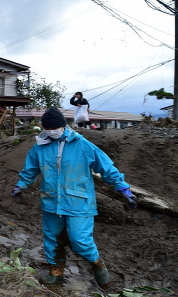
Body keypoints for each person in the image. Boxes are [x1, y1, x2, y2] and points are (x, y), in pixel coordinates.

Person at [11, 107, 137, 287]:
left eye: (53, 128)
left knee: (79, 240)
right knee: (52, 238)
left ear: (63, 126)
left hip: (79, 202)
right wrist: (20, 186)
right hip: (51, 201)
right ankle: (56, 273)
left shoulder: (82, 145)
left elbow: (105, 167)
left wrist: (123, 188)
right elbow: (30, 169)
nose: (50, 132)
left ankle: (97, 264)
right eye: (47, 129)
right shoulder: (40, 146)